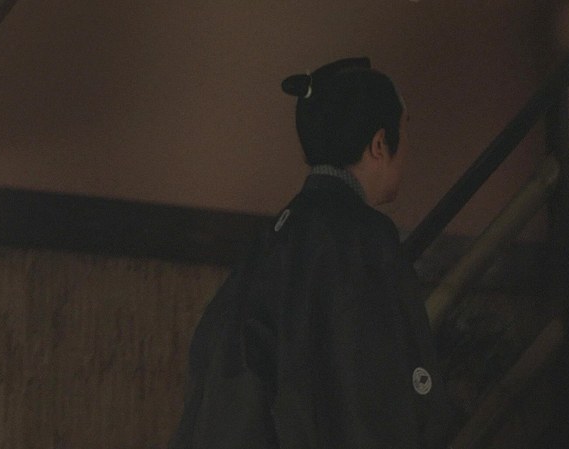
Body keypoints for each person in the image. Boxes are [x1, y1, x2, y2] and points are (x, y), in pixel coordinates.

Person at [170, 57, 454, 449]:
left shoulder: (278, 235)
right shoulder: (361, 240)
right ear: (379, 144)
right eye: (404, 130)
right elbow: (373, 397)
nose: (408, 147)